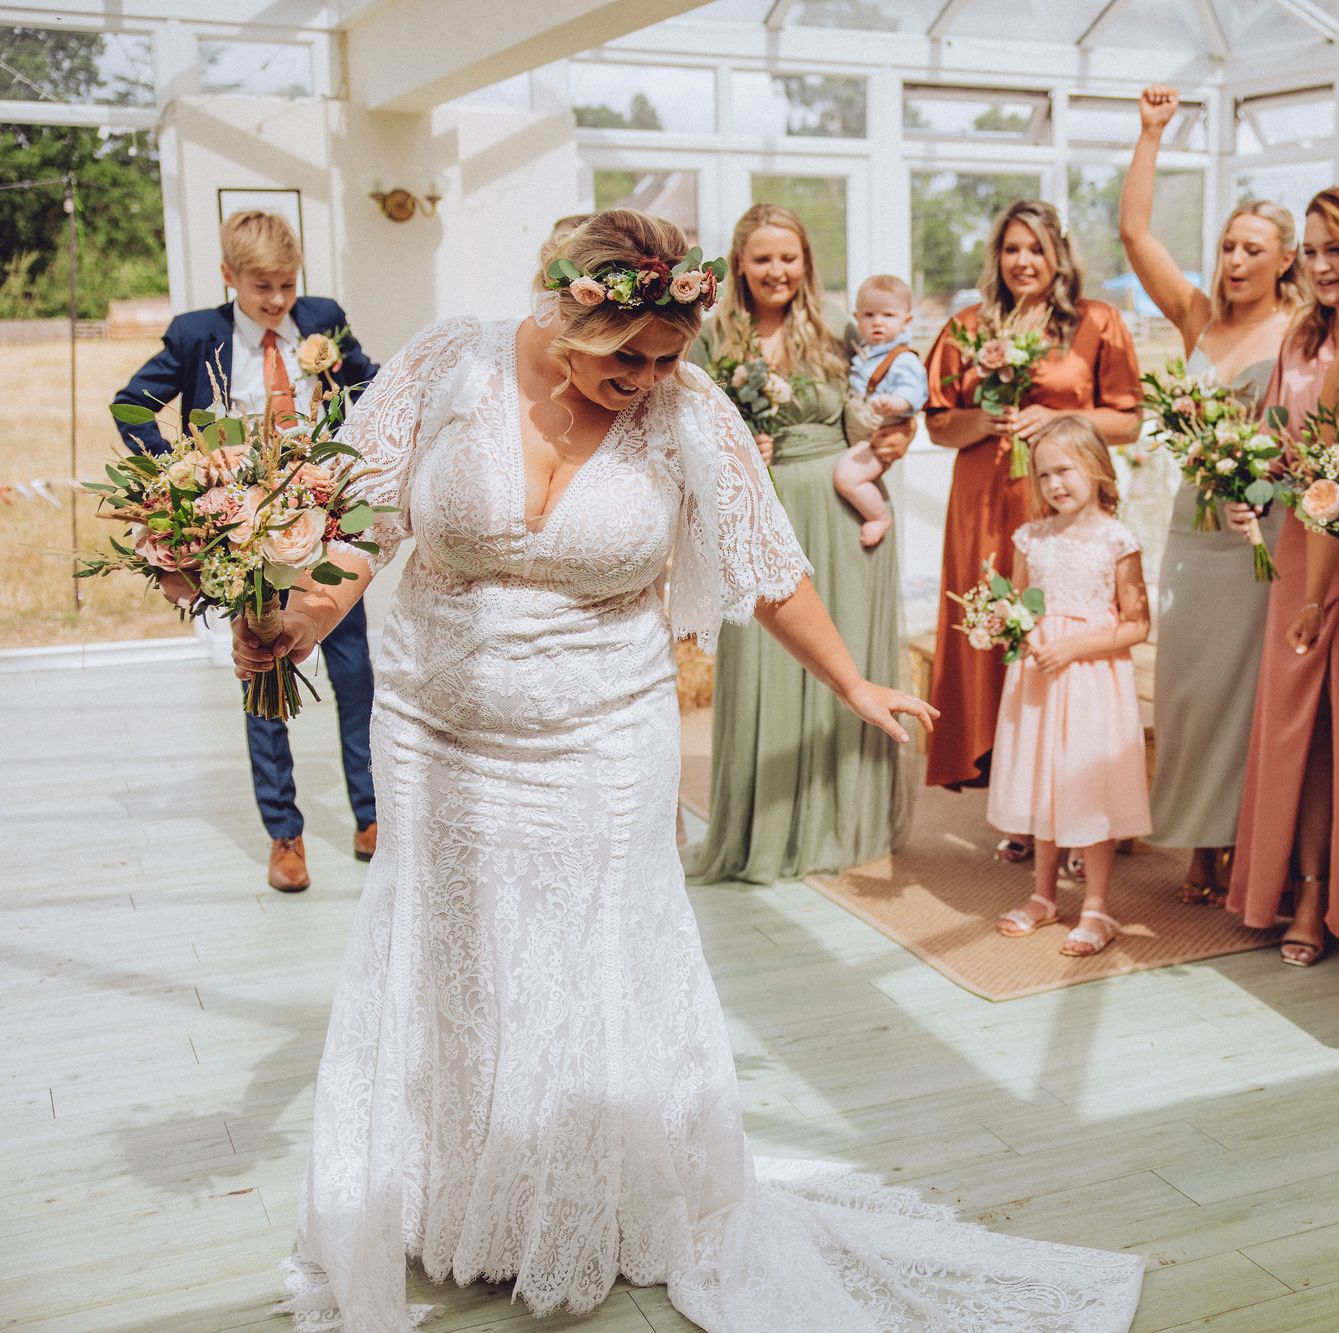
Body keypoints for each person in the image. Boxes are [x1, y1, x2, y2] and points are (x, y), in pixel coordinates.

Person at [243, 210, 1143, 1331]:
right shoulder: (447, 362)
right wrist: (306, 608)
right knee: (451, 953)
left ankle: (585, 1198)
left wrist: (853, 682)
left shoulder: (683, 407)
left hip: (605, 733)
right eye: (626, 354)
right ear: (560, 309)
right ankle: (463, 1193)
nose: (649, 377)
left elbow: (766, 566)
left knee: (591, 963)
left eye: (669, 354)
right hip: (436, 731)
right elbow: (356, 519)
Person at [111, 208, 379, 893]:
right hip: (242, 530)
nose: (278, 300)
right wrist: (186, 475)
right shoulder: (197, 335)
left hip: (323, 521)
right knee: (262, 676)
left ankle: (370, 815)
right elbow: (131, 405)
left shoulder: (323, 317)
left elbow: (368, 382)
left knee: (355, 674)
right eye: (262, 286)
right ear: (229, 277)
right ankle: (284, 834)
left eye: (288, 285)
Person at [685, 205, 916, 885]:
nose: (777, 271)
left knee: (849, 663)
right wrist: (732, 449)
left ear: (806, 264)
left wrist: (893, 441)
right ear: (740, 264)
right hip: (760, 514)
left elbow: (870, 420)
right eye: (763, 259)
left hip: (843, 512)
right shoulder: (712, 340)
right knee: (764, 668)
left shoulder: (842, 332)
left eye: (789, 258)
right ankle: (763, 829)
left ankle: (847, 824)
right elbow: (684, 429)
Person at [1120, 85, 1301, 901]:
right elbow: (1134, 233)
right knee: (1190, 692)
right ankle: (1193, 837)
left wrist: (1262, 487)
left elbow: (1313, 435)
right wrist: (1152, 134)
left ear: (1286, 261)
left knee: (1247, 693)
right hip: (1191, 535)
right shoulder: (1197, 319)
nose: (1234, 262)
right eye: (1228, 246)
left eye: (1252, 250)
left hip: (1260, 540)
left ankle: (1237, 844)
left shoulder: (1299, 333)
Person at [923, 199, 1143, 819]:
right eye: (1012, 248)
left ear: (1059, 256)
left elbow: (1128, 420)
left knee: (1057, 631)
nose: (1024, 261)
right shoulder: (967, 326)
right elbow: (937, 424)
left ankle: (1073, 795)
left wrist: (1064, 416)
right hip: (979, 501)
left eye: (1036, 249)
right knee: (992, 633)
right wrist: (981, 420)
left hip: (1062, 505)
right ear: (997, 257)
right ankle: (1013, 801)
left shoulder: (1098, 322)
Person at [1223, 184, 1339, 967]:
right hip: (1297, 550)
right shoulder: (1298, 339)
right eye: (1312, 250)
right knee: (1299, 731)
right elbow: (1272, 449)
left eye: (1337, 251)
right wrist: (1247, 493)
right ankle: (1306, 890)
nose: (1322, 266)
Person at [989, 417, 1152, 958]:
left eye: (1065, 470)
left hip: (1089, 679)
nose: (1054, 484)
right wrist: (1018, 627)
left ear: (1097, 469)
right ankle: (1041, 895)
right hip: (1038, 676)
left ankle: (1097, 906)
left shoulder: (1116, 539)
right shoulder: (1030, 538)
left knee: (1087, 786)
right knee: (1043, 779)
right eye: (1043, 475)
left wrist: (1073, 647)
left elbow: (1137, 624)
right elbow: (1016, 600)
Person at [834, 273, 927, 548]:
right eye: (869, 315)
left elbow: (914, 393)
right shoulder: (866, 352)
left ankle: (878, 517)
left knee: (847, 478)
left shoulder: (902, 359)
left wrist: (896, 403)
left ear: (906, 321)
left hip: (880, 435)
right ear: (857, 317)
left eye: (888, 315)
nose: (878, 322)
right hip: (861, 432)